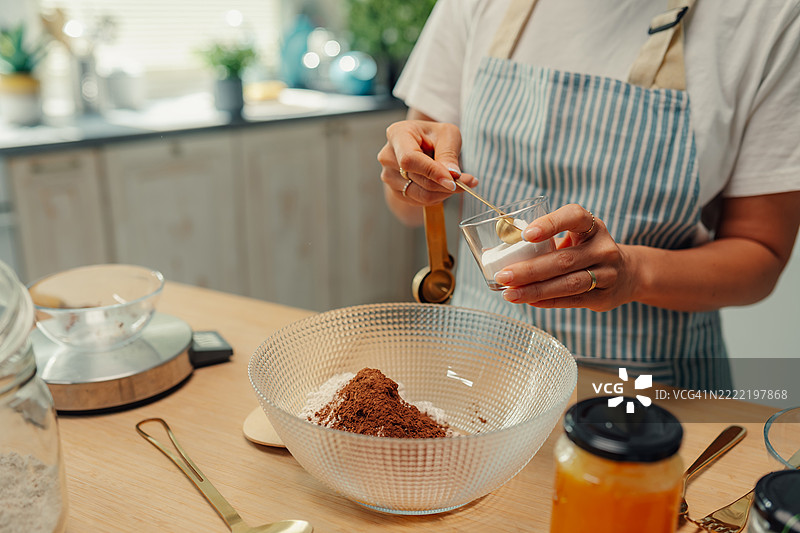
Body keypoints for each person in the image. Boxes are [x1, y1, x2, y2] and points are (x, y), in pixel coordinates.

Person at [377, 0, 800, 390]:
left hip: (651, 392)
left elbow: (760, 254)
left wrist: (634, 273)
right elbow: (406, 205)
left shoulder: (766, 16)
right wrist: (415, 180)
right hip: (480, 373)